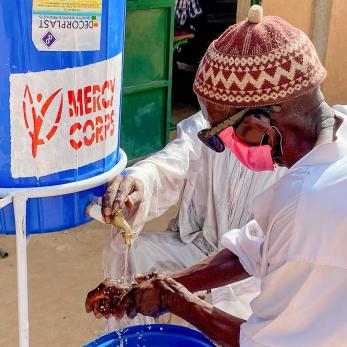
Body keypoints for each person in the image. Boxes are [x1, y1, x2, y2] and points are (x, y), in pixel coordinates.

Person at [86, 5, 347, 346]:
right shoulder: (326, 147)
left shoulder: (311, 207)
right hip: (233, 261)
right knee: (138, 255)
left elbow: (263, 342)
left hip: (284, 311)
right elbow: (250, 248)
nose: (225, 148)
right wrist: (155, 288)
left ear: (258, 127)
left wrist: (177, 301)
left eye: (224, 137)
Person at [101, 96, 282, 331]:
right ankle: (131, 337)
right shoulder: (210, 124)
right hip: (198, 246)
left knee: (229, 323)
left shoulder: (294, 152)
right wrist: (140, 180)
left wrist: (169, 289)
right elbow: (172, 161)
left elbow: (251, 254)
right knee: (132, 253)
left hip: (254, 276)